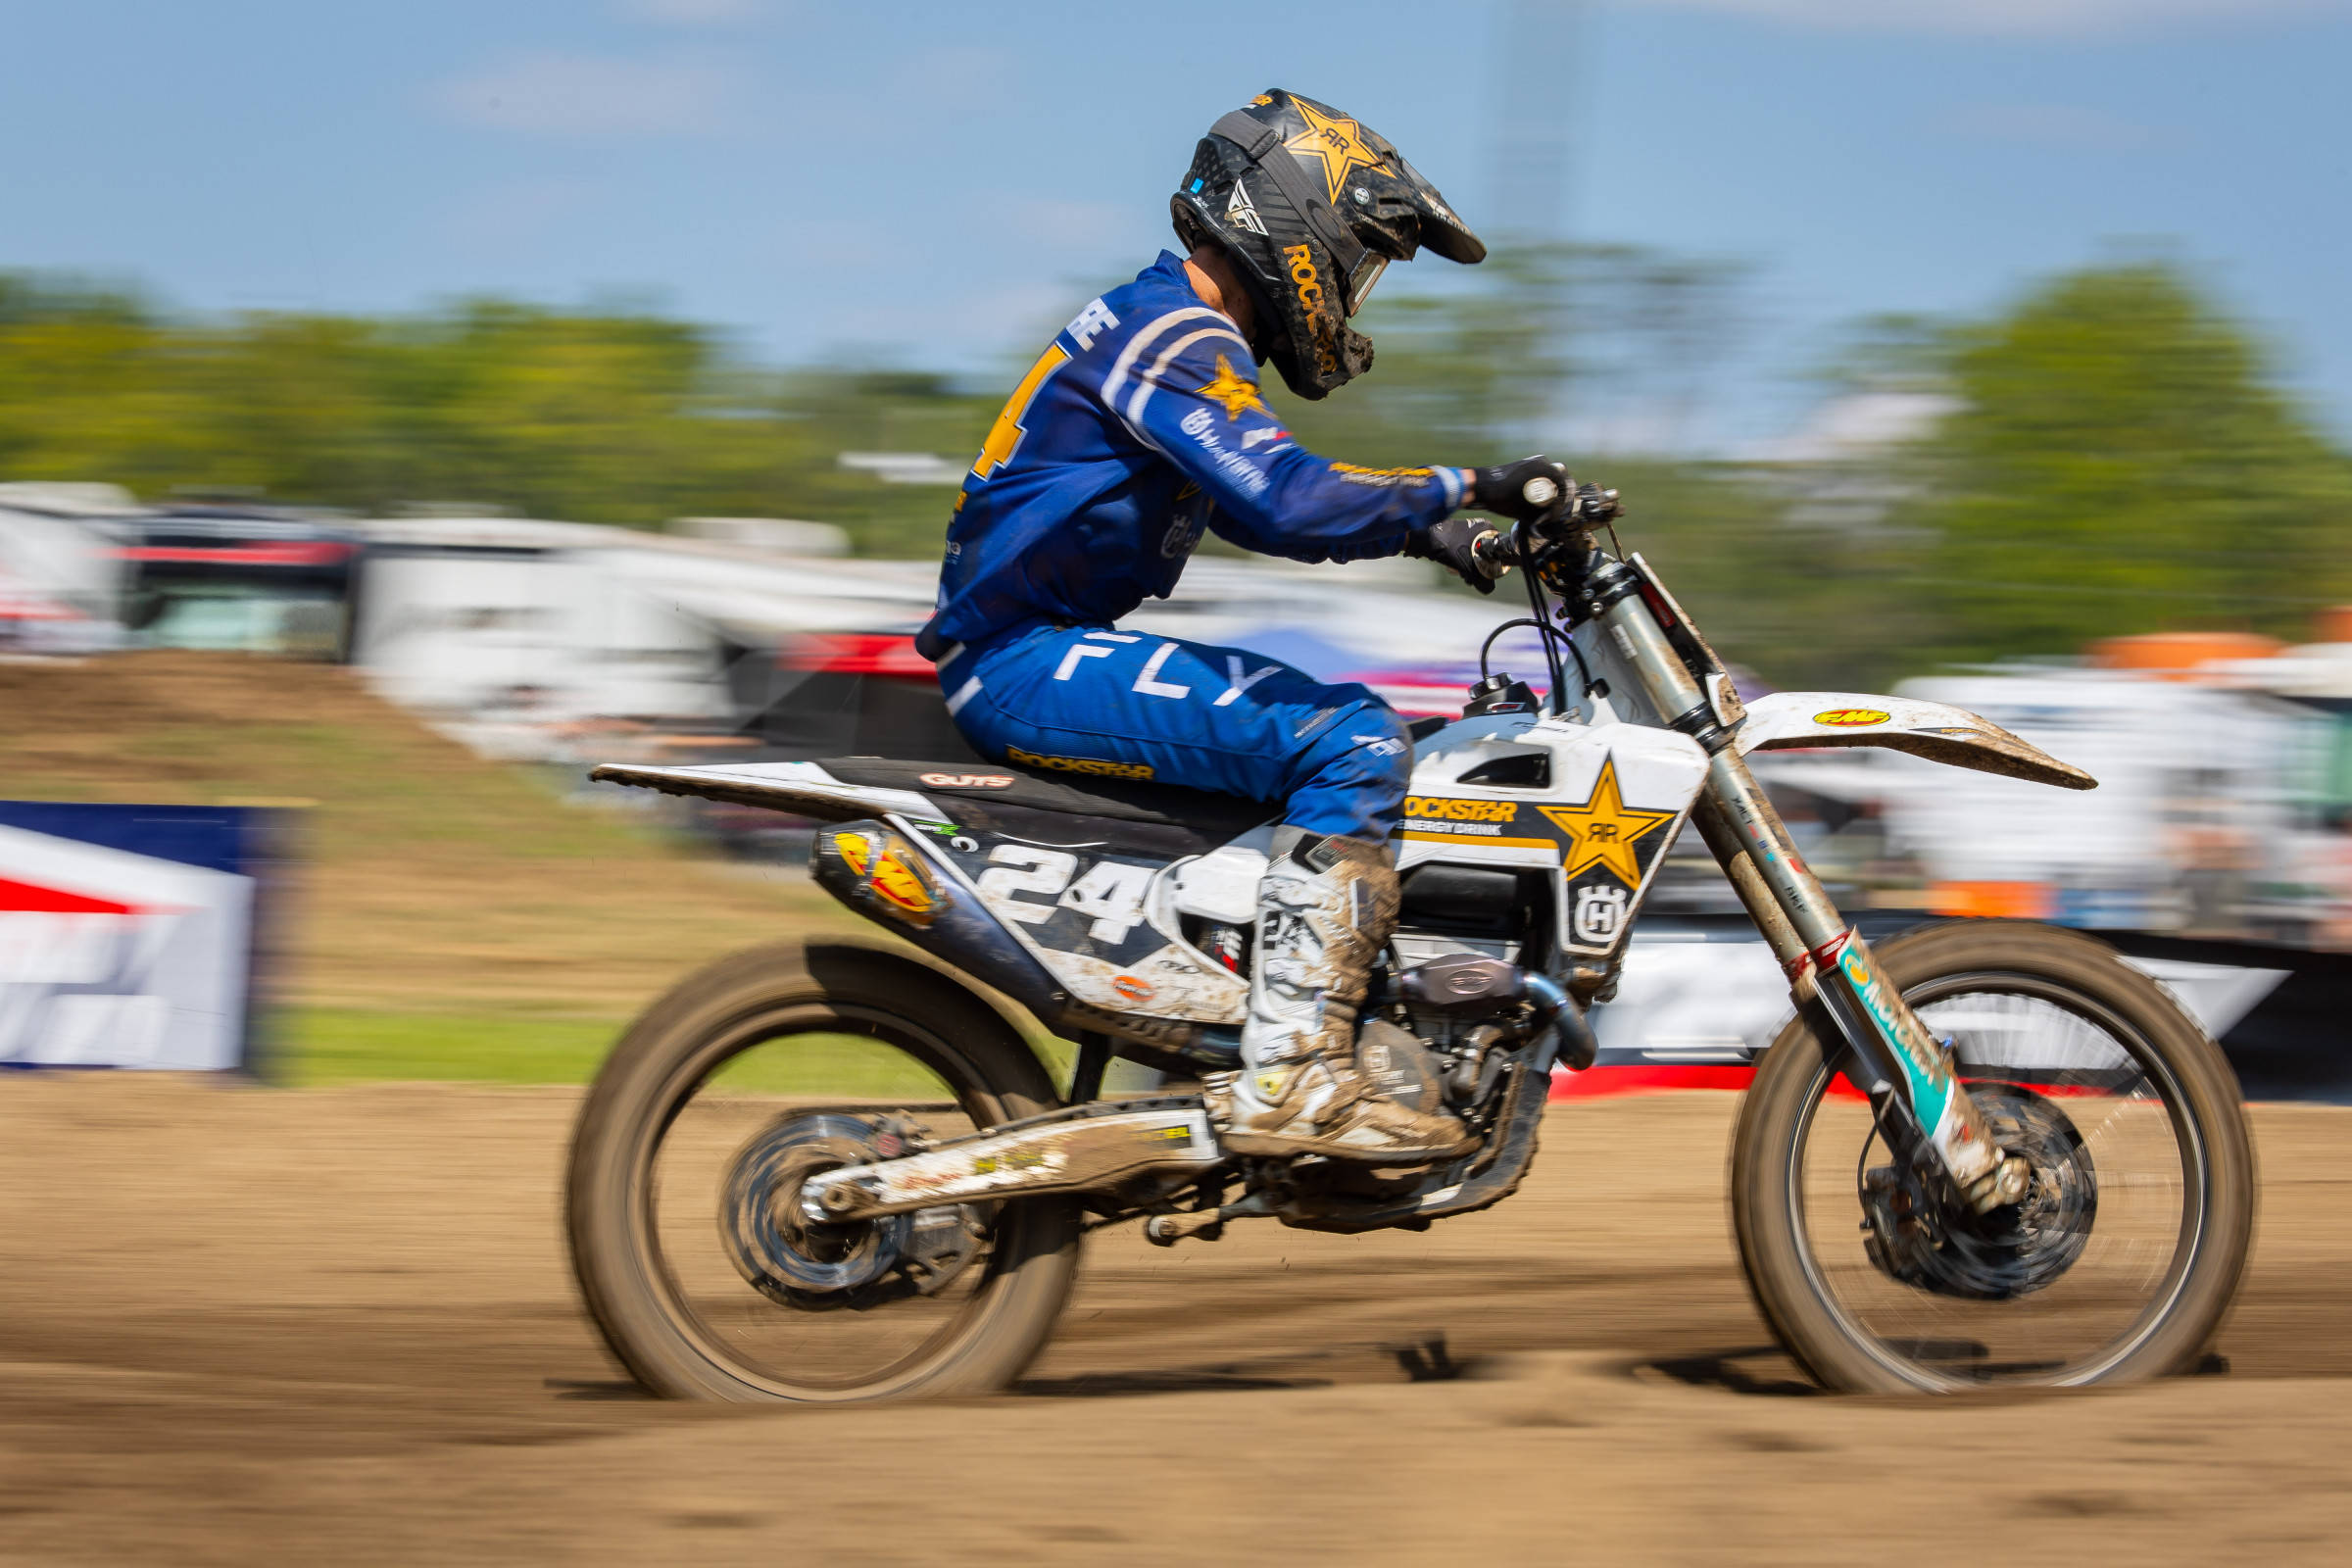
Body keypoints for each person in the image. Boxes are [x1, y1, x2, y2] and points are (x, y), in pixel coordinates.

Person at [915, 89, 1575, 1163]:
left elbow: (1252, 505)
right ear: (1294, 219)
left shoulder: (1162, 325)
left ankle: (1250, 1033)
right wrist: (1472, 482)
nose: (1354, 296)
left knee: (1324, 746)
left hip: (1032, 649)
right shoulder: (1175, 335)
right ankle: (1300, 1075)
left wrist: (1432, 537)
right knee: (1354, 740)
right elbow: (1287, 498)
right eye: (1359, 261)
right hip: (1024, 660)